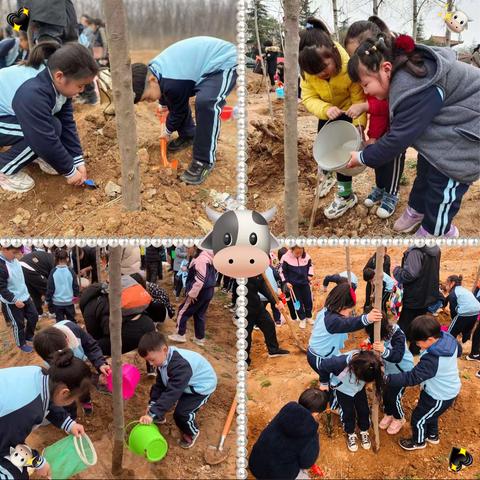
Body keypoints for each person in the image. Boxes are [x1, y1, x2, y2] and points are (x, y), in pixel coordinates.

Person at [347, 33, 480, 237]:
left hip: (469, 129)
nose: (366, 91)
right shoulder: (403, 77)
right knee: (426, 166)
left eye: (366, 84)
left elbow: (399, 139)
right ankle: (416, 210)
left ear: (386, 68)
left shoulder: (412, 87)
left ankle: (436, 231)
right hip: (451, 122)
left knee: (443, 180)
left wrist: (363, 157)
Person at [131, 36, 238, 185]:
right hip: (199, 67)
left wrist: (167, 131)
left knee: (206, 103)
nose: (149, 101)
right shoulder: (153, 71)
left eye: (147, 98)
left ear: (152, 80)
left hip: (221, 62)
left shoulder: (172, 82)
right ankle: (189, 135)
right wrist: (163, 104)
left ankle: (204, 161)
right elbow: (170, 93)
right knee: (174, 99)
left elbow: (178, 111)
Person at [0, 42, 98, 192]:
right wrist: (69, 171)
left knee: (54, 126)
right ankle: (4, 169)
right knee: (43, 132)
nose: (82, 90)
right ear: (60, 76)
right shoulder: (33, 92)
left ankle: (36, 154)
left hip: (9, 115)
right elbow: (41, 137)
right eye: (80, 86)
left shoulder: (57, 82)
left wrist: (77, 160)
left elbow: (66, 123)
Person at [299, 18, 367, 219]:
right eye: (314, 73)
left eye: (324, 68)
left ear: (334, 55)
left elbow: (358, 97)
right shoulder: (307, 72)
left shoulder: (349, 67)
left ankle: (346, 196)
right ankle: (327, 176)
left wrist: (359, 126)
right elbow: (308, 97)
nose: (320, 75)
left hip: (349, 113)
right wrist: (326, 109)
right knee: (325, 150)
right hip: (328, 114)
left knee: (344, 157)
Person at [344, 18, 405, 218]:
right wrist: (368, 133)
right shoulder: (369, 79)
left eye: (358, 54)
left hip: (392, 134)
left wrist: (364, 106)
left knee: (393, 162)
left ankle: (391, 194)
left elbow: (386, 107)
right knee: (378, 162)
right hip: (377, 131)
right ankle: (380, 187)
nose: (356, 61)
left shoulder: (392, 79)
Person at [0, 349, 88, 479]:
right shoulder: (25, 411)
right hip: (4, 437)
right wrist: (38, 462)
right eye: (73, 399)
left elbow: (49, 401)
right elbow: (8, 448)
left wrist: (70, 424)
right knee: (15, 474)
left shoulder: (41, 374)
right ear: (64, 392)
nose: (72, 403)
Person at [385, 315, 461, 450]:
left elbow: (412, 377)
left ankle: (418, 442)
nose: (417, 345)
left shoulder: (432, 360)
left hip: (440, 395)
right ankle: (432, 436)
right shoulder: (447, 338)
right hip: (436, 389)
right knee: (431, 414)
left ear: (430, 339)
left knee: (418, 419)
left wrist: (387, 378)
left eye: (419, 342)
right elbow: (459, 351)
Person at [137, 332, 217, 449]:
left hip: (200, 388)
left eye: (152, 360)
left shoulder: (180, 366)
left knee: (182, 414)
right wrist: (153, 405)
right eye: (148, 360)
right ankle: (158, 415)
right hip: (185, 383)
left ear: (164, 350)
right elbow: (160, 385)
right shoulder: (162, 361)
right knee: (160, 397)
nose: (150, 364)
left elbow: (173, 392)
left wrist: (153, 412)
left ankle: (191, 432)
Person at [248, 388, 328, 480]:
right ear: (316, 413)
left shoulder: (286, 410)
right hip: (280, 475)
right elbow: (306, 463)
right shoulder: (311, 432)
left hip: (256, 464)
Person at [33, 321, 111, 415]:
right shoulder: (48, 363)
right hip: (64, 377)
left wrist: (100, 363)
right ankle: (70, 411)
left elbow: (91, 347)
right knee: (68, 391)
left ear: (67, 340)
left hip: (81, 364)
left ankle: (85, 400)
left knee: (82, 387)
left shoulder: (74, 331)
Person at [307, 284, 382, 380]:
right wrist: (366, 318)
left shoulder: (328, 309)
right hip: (319, 357)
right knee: (330, 378)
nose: (348, 314)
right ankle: (328, 388)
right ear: (341, 306)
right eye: (348, 310)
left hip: (327, 352)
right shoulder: (332, 321)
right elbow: (348, 324)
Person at [319, 350, 384, 452]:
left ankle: (364, 429)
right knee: (347, 412)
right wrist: (323, 383)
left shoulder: (371, 362)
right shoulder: (339, 363)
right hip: (342, 390)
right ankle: (350, 432)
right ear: (355, 369)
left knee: (364, 409)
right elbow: (323, 366)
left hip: (358, 389)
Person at [79, 279, 155, 358]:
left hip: (127, 336)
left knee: (95, 346)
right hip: (148, 325)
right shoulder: (113, 291)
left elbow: (95, 336)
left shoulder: (90, 309)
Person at [365, 315, 414, 434]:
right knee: (385, 394)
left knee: (394, 397)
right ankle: (389, 413)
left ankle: (399, 418)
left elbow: (397, 357)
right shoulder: (376, 333)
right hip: (388, 372)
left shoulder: (398, 335)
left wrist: (384, 351)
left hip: (402, 372)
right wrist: (367, 343)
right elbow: (372, 340)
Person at [393, 245, 441, 355]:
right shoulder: (435, 248)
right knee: (419, 323)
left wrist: (396, 270)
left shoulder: (416, 252)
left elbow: (409, 275)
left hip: (414, 295)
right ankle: (415, 349)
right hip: (426, 294)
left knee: (404, 325)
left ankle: (401, 351)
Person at [169, 247, 216, 346]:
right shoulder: (207, 256)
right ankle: (199, 338)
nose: (186, 250)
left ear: (195, 247)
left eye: (188, 247)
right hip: (209, 290)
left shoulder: (201, 260)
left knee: (183, 311)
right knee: (199, 314)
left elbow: (200, 280)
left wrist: (192, 294)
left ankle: (180, 334)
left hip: (199, 291)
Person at [0, 245, 38, 353]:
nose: (16, 255)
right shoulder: (2, 266)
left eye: (18, 253)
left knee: (33, 316)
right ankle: (21, 343)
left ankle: (29, 335)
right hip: (12, 301)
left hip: (24, 295)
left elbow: (20, 279)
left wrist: (27, 293)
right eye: (14, 252)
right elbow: (2, 288)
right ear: (4, 249)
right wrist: (14, 300)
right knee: (18, 323)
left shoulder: (14, 260)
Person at [246, 273, 289, 366]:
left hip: (257, 306)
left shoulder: (256, 273)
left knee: (269, 324)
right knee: (246, 335)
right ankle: (244, 361)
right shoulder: (237, 273)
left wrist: (276, 302)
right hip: (244, 310)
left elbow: (265, 289)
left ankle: (273, 350)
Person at [279, 246, 314, 329]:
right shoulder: (285, 258)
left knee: (308, 300)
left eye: (301, 252)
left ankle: (309, 317)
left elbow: (311, 266)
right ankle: (302, 319)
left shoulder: (307, 257)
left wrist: (310, 275)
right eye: (297, 253)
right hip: (293, 285)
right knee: (297, 302)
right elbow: (281, 271)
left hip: (305, 283)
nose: (299, 254)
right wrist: (286, 282)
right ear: (292, 250)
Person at [443, 275, 480, 344]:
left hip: (464, 312)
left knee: (451, 332)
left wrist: (454, 321)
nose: (445, 285)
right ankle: (465, 343)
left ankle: (448, 345)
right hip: (476, 311)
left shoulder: (453, 294)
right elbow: (447, 298)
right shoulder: (463, 290)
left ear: (452, 283)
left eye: (446, 283)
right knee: (467, 330)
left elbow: (453, 310)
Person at [45, 248, 79, 322]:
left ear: (57, 259)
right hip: (69, 302)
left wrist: (48, 300)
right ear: (67, 258)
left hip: (57, 303)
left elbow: (50, 288)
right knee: (71, 321)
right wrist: (75, 298)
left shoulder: (53, 272)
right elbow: (75, 286)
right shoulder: (71, 271)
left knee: (60, 322)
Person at [19, 248, 55, 316]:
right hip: (29, 267)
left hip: (21, 267)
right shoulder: (53, 261)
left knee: (34, 292)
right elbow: (52, 280)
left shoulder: (49, 257)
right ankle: (52, 311)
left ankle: (39, 313)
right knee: (49, 289)